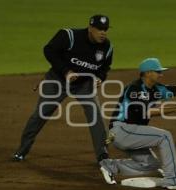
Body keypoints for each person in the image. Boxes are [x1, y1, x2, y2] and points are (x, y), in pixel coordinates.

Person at [99, 58, 176, 189]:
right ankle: (172, 180)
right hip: (121, 131)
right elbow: (141, 112)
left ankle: (110, 166)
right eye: (158, 72)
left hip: (132, 133)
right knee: (164, 136)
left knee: (152, 165)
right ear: (148, 73)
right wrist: (170, 109)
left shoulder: (156, 89)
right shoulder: (134, 89)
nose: (161, 74)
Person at [13, 14, 113, 163]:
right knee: (41, 114)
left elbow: (105, 68)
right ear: (90, 28)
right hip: (57, 80)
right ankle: (21, 151)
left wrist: (100, 78)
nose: (103, 32)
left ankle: (102, 156)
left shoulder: (107, 47)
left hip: (83, 85)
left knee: (96, 117)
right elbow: (49, 50)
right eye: (99, 29)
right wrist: (66, 71)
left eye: (105, 29)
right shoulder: (69, 36)